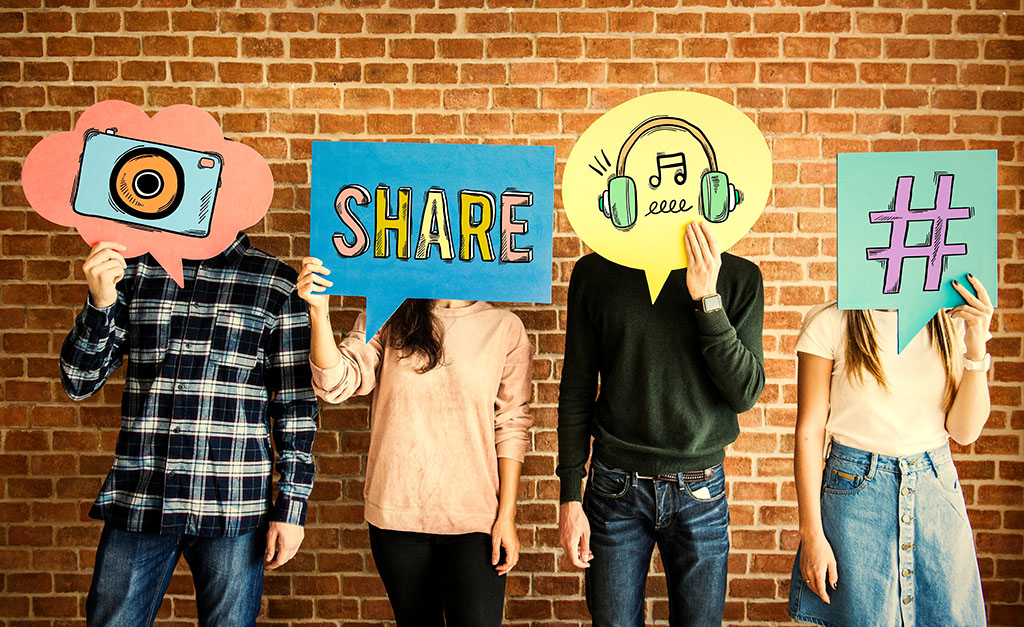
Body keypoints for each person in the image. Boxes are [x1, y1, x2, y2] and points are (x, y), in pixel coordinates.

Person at [60, 236, 318, 627]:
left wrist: (292, 509)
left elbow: (295, 408)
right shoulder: (134, 270)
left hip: (233, 505)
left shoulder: (276, 283)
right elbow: (79, 380)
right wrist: (100, 303)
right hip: (141, 496)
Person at [297, 256, 533, 627]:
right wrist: (318, 311)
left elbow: (511, 425)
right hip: (397, 516)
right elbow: (334, 383)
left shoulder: (505, 328)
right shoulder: (390, 312)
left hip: (474, 521)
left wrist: (507, 517)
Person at [557, 221, 766, 626]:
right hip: (615, 488)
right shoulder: (595, 273)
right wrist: (569, 495)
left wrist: (707, 299)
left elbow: (745, 393)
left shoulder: (739, 276)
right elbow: (577, 389)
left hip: (700, 491)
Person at [789, 274, 994, 627]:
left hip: (935, 490)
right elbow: (809, 431)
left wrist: (976, 349)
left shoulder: (947, 323)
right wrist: (812, 534)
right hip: (855, 496)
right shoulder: (831, 322)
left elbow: (964, 431)